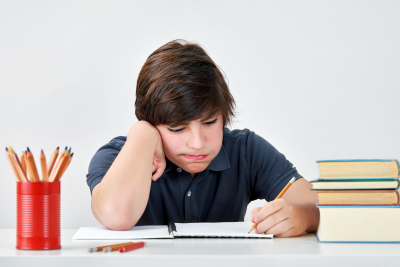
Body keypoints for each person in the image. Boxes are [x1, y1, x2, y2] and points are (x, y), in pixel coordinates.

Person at [86, 39, 319, 237]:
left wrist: (304, 216)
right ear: (150, 123)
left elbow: (327, 207)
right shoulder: (116, 157)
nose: (198, 143)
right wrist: (141, 134)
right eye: (177, 128)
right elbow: (115, 216)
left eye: (209, 123)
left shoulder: (245, 150)